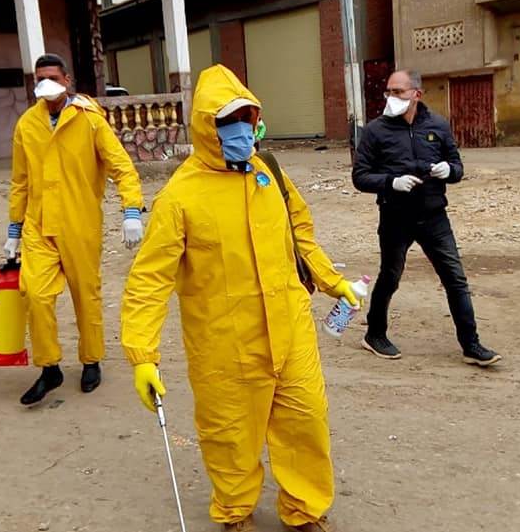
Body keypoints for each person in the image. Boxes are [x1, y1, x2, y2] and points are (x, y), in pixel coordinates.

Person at [121, 64, 356, 532]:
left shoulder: (268, 173)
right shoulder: (179, 198)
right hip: (225, 343)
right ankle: (234, 512)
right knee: (230, 434)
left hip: (290, 329)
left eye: (246, 119)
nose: (240, 130)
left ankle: (305, 511)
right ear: (207, 127)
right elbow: (149, 280)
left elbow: (300, 233)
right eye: (227, 121)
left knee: (305, 423)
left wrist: (333, 282)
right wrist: (142, 355)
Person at [6, 53, 144, 405]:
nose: (45, 84)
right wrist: (14, 229)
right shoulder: (27, 124)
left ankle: (91, 360)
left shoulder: (90, 120)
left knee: (86, 296)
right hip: (39, 225)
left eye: (52, 77)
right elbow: (20, 180)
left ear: (66, 80)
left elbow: (122, 167)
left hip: (79, 223)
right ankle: (49, 367)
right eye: (39, 78)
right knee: (35, 294)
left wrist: (131, 210)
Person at [351, 69, 502, 366]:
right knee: (390, 276)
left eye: (398, 92)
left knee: (455, 279)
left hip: (434, 217)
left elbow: (457, 167)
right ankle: (375, 334)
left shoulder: (437, 125)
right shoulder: (375, 131)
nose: (391, 97)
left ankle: (471, 345)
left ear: (416, 94)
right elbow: (360, 176)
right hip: (395, 217)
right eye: (388, 91)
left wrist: (450, 171)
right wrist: (391, 182)